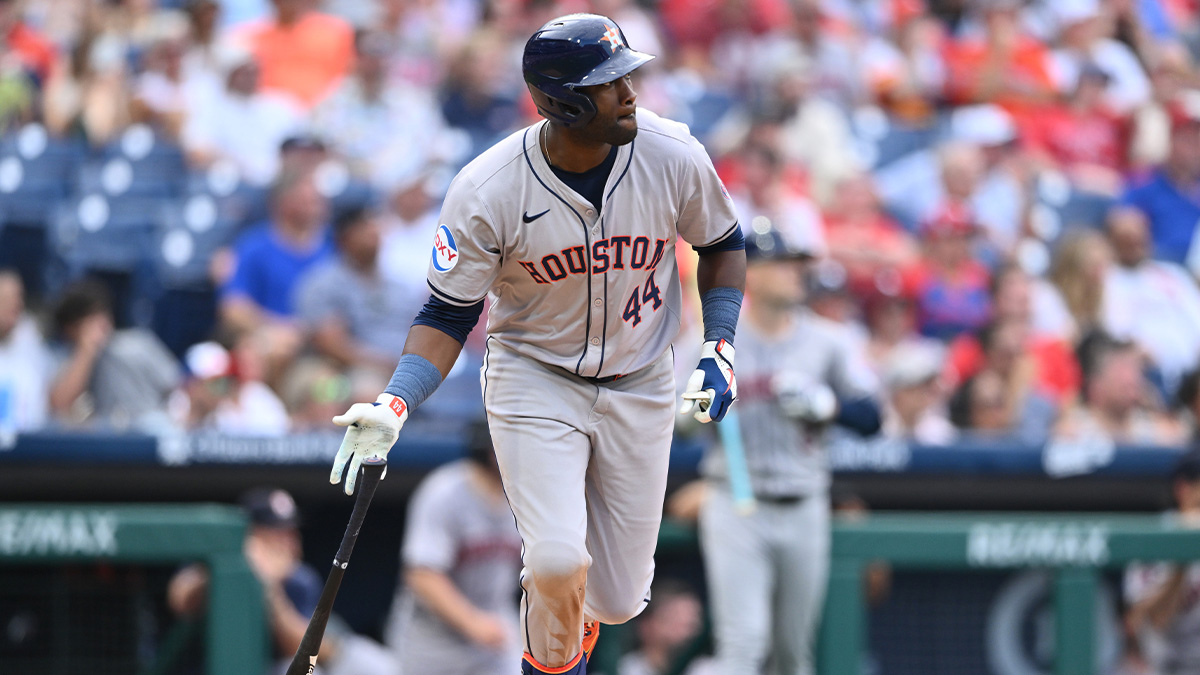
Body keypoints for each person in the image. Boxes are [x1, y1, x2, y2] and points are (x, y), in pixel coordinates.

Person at [326, 14, 747, 675]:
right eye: (611, 84)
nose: (632, 93)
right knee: (555, 561)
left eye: (629, 77)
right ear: (562, 101)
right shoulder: (488, 186)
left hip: (642, 376)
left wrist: (719, 344)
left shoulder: (672, 153)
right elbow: (446, 311)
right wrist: (395, 401)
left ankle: (572, 635)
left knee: (615, 598)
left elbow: (722, 243)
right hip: (536, 377)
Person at [697, 227, 879, 675]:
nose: (797, 274)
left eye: (799, 264)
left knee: (793, 655)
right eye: (784, 264)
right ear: (751, 274)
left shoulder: (829, 340)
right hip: (734, 501)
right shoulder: (716, 336)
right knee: (743, 647)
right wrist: (695, 410)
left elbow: (873, 418)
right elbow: (674, 419)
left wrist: (828, 405)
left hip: (804, 503)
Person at [168, 487, 396, 675]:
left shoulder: (299, 580)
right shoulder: (217, 560)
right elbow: (181, 600)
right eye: (275, 533)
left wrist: (269, 587)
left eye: (291, 532)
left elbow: (306, 653)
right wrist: (238, 563)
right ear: (250, 534)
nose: (287, 543)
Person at [383, 420, 523, 674]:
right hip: (433, 642)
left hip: (496, 629)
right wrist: (473, 623)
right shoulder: (444, 492)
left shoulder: (523, 494)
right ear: (494, 453)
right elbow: (422, 575)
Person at [47, 278, 181, 431]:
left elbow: (178, 386)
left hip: (150, 432)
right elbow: (58, 406)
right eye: (89, 321)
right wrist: (87, 350)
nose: (100, 324)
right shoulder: (66, 360)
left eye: (101, 315)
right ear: (70, 329)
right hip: (107, 442)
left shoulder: (136, 344)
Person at [1122, 448, 1200, 674]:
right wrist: (1183, 557)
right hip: (1163, 666)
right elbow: (1142, 621)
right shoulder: (1154, 536)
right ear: (1184, 488)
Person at [616, 579, 715, 675]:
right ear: (646, 625)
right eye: (674, 617)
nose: (688, 627)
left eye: (694, 619)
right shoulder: (623, 669)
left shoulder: (709, 669)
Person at [0, 270, 51, 435]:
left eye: (18, 298)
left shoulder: (29, 337)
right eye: (6, 300)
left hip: (32, 447)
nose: (17, 305)